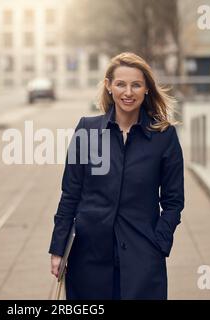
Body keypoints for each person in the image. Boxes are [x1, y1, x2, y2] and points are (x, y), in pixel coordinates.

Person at [48, 52, 184, 300]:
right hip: (88, 259)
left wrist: (159, 244)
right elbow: (70, 194)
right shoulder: (87, 131)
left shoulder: (164, 137)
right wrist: (58, 249)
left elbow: (174, 201)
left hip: (142, 258)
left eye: (136, 85)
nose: (128, 92)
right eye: (121, 84)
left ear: (146, 90)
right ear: (109, 86)